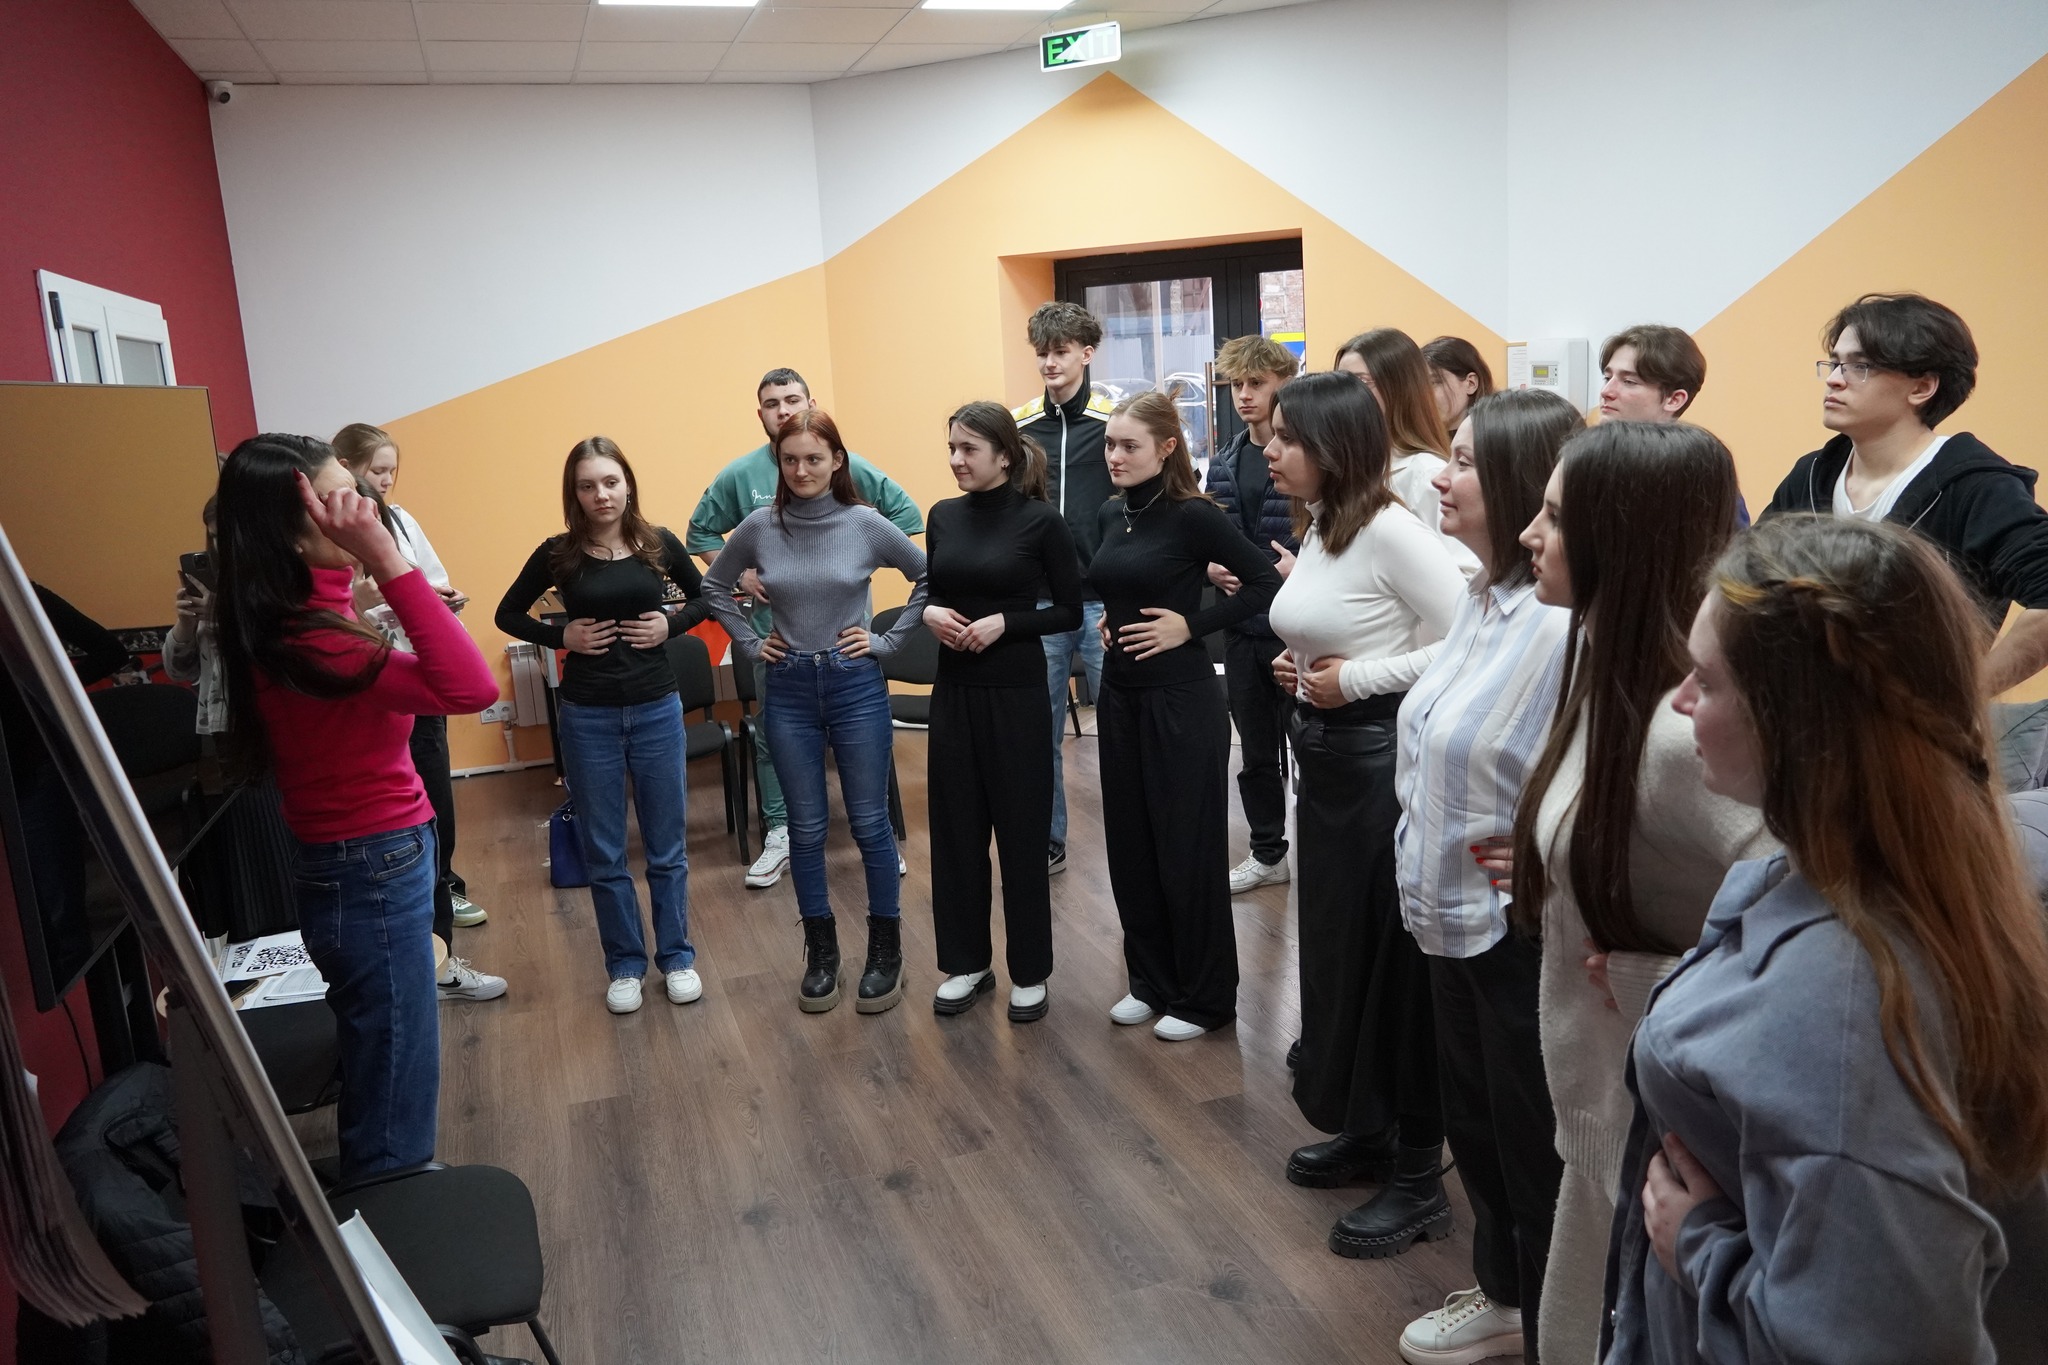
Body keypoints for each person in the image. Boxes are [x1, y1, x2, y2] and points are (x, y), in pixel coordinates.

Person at [1604, 515, 2048, 1363]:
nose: (1681, 699)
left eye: (1707, 680)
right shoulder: (1921, 865)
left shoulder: (1843, 1003)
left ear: (1797, 722)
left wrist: (1698, 1244)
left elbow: (1889, 1340)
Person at [1509, 421, 1765, 1365]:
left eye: (1555, 517)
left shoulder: (1674, 734)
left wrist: (1657, 979)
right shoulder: (1605, 673)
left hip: (1660, 1146)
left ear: (1624, 539)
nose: (1530, 534)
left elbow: (1839, 929)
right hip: (1608, 1123)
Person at [213, 434, 498, 1178]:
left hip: (372, 852)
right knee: (396, 1058)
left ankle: (387, 1178)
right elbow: (472, 689)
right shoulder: (308, 638)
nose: (364, 508)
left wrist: (366, 584)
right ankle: (390, 1197)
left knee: (385, 1047)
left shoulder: (303, 611)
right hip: (370, 863)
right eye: (341, 498)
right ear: (291, 530)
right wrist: (389, 560)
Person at [1391, 389, 1582, 1362]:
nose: (1441, 476)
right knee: (1477, 1125)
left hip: (1516, 926)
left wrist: (1553, 847)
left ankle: (1556, 1324)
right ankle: (1508, 1295)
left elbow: (1606, 771)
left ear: (1516, 483)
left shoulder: (1561, 623)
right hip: (1448, 912)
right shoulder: (1480, 596)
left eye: (1463, 461)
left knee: (1531, 1141)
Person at [1265, 372, 1466, 1257]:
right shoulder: (1324, 524)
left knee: (1391, 963)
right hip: (1331, 762)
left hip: (1381, 766)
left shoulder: (1392, 530)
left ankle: (1420, 1173)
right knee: (1341, 952)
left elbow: (1467, 640)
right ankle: (1369, 1124)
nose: (1269, 449)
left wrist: (1358, 679)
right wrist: (1301, 664)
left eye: (1287, 437)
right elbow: (1338, 626)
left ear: (1334, 447)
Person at [703, 410, 929, 1015]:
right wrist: (751, 642)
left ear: (837, 461)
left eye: (813, 458)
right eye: (789, 459)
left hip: (855, 683)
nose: (801, 470)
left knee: (869, 823)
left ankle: (885, 952)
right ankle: (821, 954)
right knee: (804, 829)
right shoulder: (759, 526)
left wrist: (886, 641)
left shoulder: (865, 523)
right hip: (789, 688)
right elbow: (714, 587)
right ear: (778, 463)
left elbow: (928, 578)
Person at [1086, 391, 1278, 1041]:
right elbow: (1120, 583)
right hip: (1120, 696)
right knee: (1131, 844)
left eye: (1129, 445)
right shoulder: (1112, 512)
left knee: (1185, 848)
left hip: (1181, 700)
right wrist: (1112, 619)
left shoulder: (1194, 515)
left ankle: (1205, 997)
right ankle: (1151, 981)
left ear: (1167, 447)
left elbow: (1265, 582)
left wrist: (1190, 626)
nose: (1114, 456)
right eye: (1110, 444)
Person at [685, 368, 924, 889]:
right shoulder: (745, 485)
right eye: (773, 404)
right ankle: (780, 834)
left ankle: (877, 846)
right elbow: (702, 545)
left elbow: (912, 532)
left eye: (792, 400)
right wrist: (745, 589)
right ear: (762, 416)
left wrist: (884, 633)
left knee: (863, 785)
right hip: (781, 649)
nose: (784, 411)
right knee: (779, 757)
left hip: (848, 654)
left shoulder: (856, 497)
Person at [496, 437, 709, 1016]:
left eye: (611, 482)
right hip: (587, 715)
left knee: (667, 847)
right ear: (575, 493)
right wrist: (560, 635)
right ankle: (625, 966)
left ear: (628, 484)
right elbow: (506, 612)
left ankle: (677, 958)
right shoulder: (558, 553)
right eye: (587, 485)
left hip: (656, 708)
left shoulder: (657, 543)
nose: (601, 495)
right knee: (606, 851)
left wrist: (671, 626)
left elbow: (708, 597)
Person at [1765, 292, 2048, 693]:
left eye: (1860, 366)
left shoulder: (1976, 486)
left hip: (1913, 726)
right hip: (1804, 714)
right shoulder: (1812, 475)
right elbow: (1748, 582)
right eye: (1835, 362)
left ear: (1922, 387)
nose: (1834, 378)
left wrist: (1966, 696)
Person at [332, 422, 505, 1005]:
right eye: (374, 471)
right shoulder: (317, 573)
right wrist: (362, 602)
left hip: (412, 679)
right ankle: (416, 967)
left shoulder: (399, 520)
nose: (383, 482)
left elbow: (469, 681)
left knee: (432, 819)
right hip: (373, 695)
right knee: (395, 840)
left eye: (390, 472)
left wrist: (431, 600)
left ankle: (439, 950)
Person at [922, 402, 1083, 1021]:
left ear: (1006, 457)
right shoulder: (943, 516)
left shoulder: (1042, 521)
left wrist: (1006, 624)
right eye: (952, 448)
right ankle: (967, 962)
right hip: (955, 692)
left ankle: (1030, 970)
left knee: (1020, 833)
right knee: (957, 831)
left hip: (1016, 694)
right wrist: (930, 611)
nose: (956, 460)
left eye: (968, 449)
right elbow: (938, 589)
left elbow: (1068, 611)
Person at [1012, 302, 1118, 875]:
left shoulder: (1114, 422)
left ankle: (1134, 836)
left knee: (1122, 728)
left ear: (1086, 353)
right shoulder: (1019, 426)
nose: (1049, 363)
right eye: (1042, 353)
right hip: (1042, 602)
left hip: (1105, 599)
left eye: (1060, 352)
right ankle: (1047, 838)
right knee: (1039, 733)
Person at [164, 501, 299, 942]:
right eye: (214, 535)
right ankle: (255, 937)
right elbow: (179, 669)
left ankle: (290, 931)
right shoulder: (212, 585)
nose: (222, 543)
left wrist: (221, 615)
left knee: (276, 830)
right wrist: (186, 625)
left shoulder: (278, 578)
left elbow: (277, 653)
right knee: (242, 839)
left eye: (228, 531)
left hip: (267, 723)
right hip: (220, 731)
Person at [1202, 334, 1300, 896]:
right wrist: (1210, 567)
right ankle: (1268, 853)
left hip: (1298, 629)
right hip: (1241, 628)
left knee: (1311, 748)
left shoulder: (1308, 456)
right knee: (1257, 753)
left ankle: (1326, 852)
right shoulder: (1223, 460)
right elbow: (1206, 535)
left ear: (1284, 384)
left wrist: (1301, 575)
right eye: (1237, 384)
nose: (1243, 394)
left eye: (1256, 383)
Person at [1334, 329, 1480, 575]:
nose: (1343, 397)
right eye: (1340, 383)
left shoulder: (1426, 474)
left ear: (1398, 388)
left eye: (1360, 383)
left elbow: (1467, 575)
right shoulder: (1357, 467)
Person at [1598, 324, 1749, 533]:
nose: (1606, 391)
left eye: (1629, 381)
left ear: (1674, 399)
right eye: (1607, 378)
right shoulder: (1588, 460)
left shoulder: (1703, 474)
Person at [1421, 335, 1495, 440]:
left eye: (1434, 382)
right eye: (1420, 385)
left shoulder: (1494, 439)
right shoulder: (1417, 440)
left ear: (1471, 383)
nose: (1424, 394)